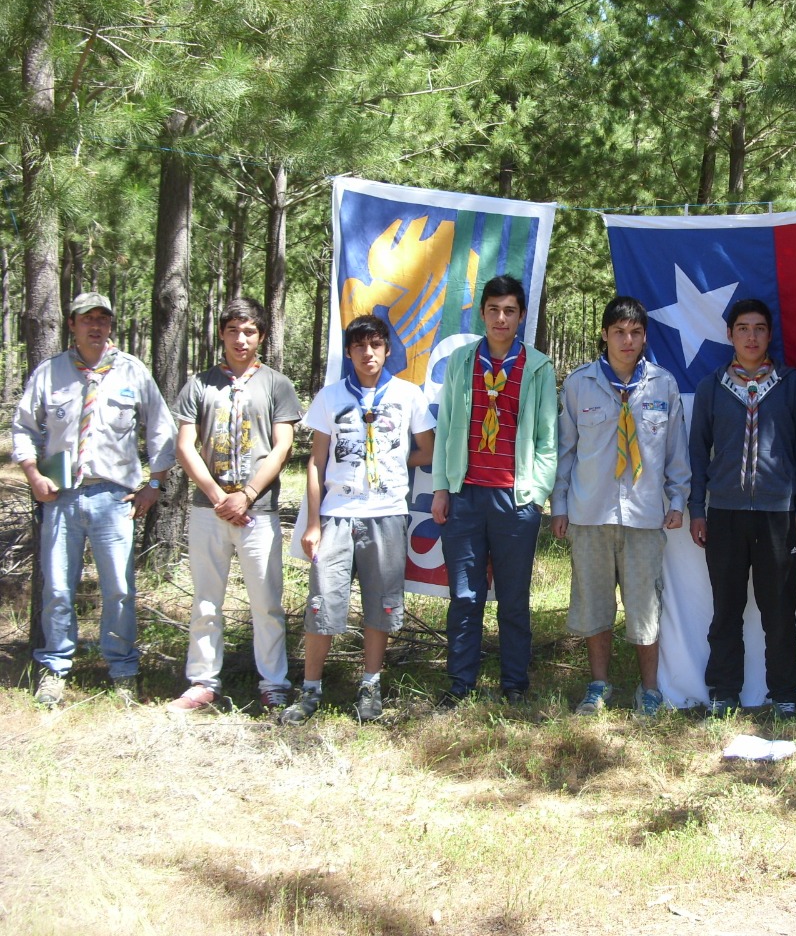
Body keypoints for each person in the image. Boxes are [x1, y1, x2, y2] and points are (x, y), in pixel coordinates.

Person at [12, 292, 176, 707]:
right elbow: (23, 428)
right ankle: (54, 668)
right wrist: (33, 475)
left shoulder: (132, 371)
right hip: (61, 497)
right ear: (72, 325)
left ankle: (123, 670)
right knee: (57, 589)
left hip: (114, 497)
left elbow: (161, 428)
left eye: (103, 319)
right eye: (87, 319)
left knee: (119, 589)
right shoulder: (50, 373)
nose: (96, 326)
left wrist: (154, 483)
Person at [280, 314, 433, 724]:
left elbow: (428, 449)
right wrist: (313, 522)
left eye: (376, 344)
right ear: (349, 352)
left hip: (387, 513)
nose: (368, 353)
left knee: (380, 604)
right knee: (323, 601)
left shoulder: (408, 395)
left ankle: (370, 685)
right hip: (337, 515)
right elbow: (316, 462)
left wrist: (392, 462)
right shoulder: (330, 397)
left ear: (387, 350)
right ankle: (310, 689)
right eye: (360, 346)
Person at [551, 296, 689, 717]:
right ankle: (598, 685)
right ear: (605, 335)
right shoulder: (580, 384)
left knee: (645, 607)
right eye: (619, 332)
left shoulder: (662, 385)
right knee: (594, 603)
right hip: (590, 513)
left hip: (644, 516)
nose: (627, 341)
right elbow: (565, 451)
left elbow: (675, 451)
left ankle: (650, 690)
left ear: (645, 337)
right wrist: (559, 505)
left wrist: (678, 498)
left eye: (635, 333)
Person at [167, 298, 302, 715]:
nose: (240, 340)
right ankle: (203, 681)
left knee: (267, 601)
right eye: (232, 331)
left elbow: (283, 445)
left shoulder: (276, 384)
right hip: (208, 510)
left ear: (261, 336)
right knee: (206, 600)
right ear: (222, 334)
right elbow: (185, 445)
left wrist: (247, 494)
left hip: (257, 511)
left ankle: (274, 682)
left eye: (249, 332)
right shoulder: (200, 384)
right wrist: (217, 497)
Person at [431, 275, 557, 706]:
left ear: (521, 316)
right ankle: (460, 683)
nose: (501, 318)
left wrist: (536, 495)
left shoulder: (537, 367)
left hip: (514, 499)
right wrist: (442, 488)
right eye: (493, 310)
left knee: (514, 598)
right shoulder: (463, 361)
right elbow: (447, 424)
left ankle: (514, 683)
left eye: (509, 311)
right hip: (465, 495)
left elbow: (547, 439)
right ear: (482, 314)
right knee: (465, 596)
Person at [689, 299, 796, 720]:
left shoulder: (791, 385)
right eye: (743, 328)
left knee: (778, 608)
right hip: (725, 511)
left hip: (778, 512)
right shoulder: (712, 386)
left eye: (760, 328)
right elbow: (697, 452)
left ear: (769, 334)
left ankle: (785, 691)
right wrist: (697, 508)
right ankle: (724, 690)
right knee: (726, 607)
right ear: (729, 335)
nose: (751, 336)